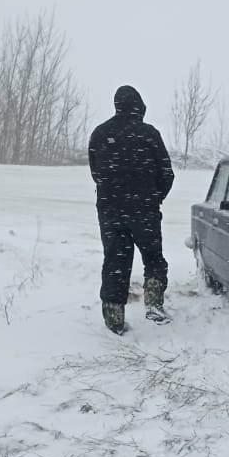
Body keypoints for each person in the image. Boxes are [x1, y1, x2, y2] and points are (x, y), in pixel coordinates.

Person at [88, 85, 175, 335]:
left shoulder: (100, 133)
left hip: (110, 211)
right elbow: (167, 174)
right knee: (153, 258)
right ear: (139, 106)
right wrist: (154, 197)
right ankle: (154, 305)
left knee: (115, 261)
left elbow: (96, 172)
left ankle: (113, 317)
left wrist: (113, 194)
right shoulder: (149, 134)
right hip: (144, 211)